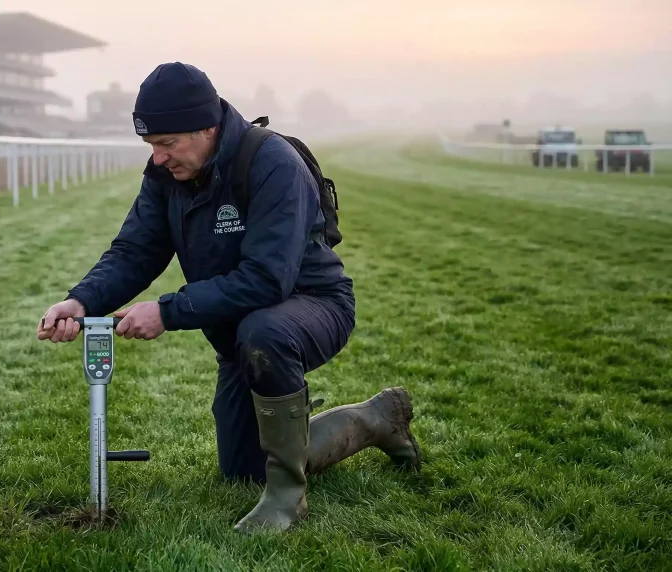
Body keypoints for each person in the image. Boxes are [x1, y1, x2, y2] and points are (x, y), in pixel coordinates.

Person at [36, 62, 421, 533]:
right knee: (242, 470)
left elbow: (266, 280)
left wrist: (167, 311)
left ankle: (287, 499)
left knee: (266, 332)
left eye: (167, 144)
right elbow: (135, 250)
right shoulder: (165, 176)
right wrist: (80, 302)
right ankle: (376, 419)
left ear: (207, 127)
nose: (158, 158)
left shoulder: (273, 163)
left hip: (313, 305)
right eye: (151, 146)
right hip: (239, 330)